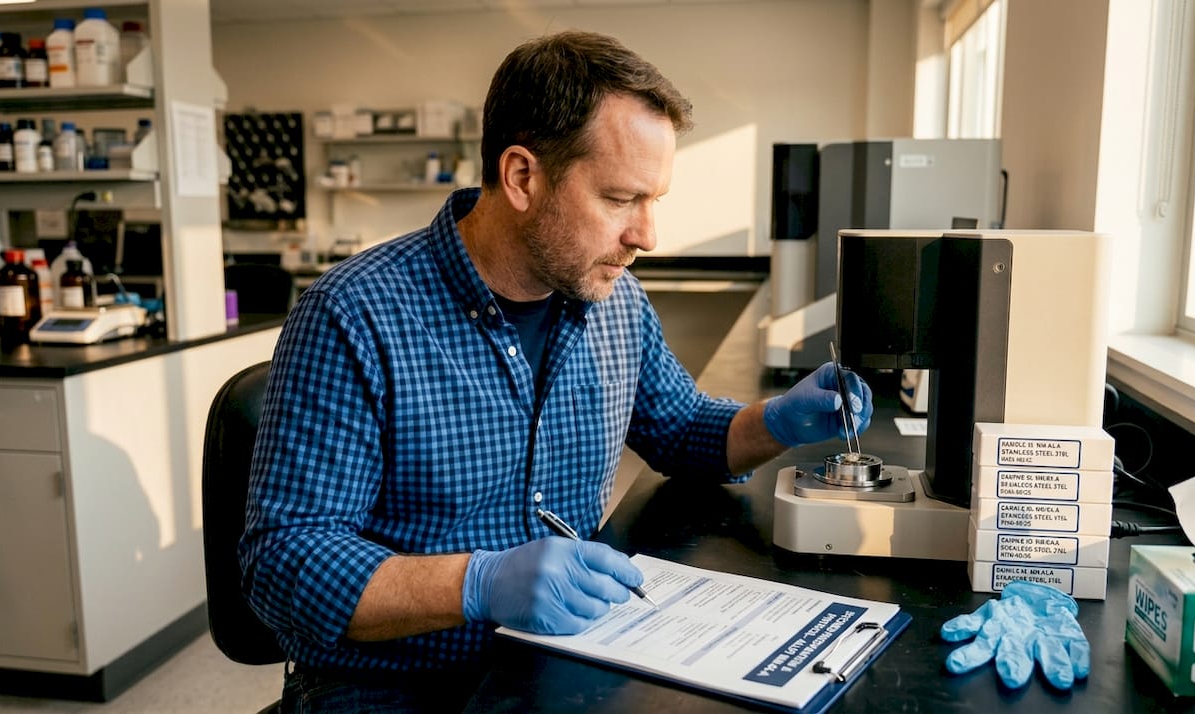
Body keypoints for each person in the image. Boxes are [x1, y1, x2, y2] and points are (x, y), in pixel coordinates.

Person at [239, 29, 874, 713]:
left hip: (560, 658)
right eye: (620, 198)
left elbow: (682, 427)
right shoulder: (355, 314)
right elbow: (284, 563)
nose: (647, 236)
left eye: (653, 200)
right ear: (522, 177)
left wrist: (774, 422)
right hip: (392, 686)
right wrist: (476, 585)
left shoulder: (613, 300)